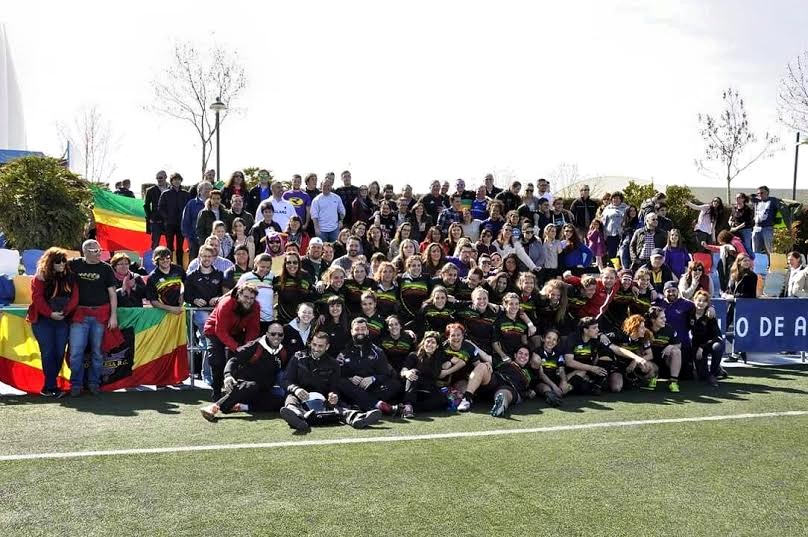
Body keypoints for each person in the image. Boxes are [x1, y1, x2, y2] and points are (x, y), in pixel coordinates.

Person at [279, 332, 382, 432]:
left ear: (327, 347)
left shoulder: (333, 364)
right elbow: (286, 380)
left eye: (320, 346)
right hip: (299, 396)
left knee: (339, 406)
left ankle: (357, 418)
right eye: (314, 344)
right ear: (310, 343)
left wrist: (334, 395)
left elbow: (335, 386)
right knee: (290, 399)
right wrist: (296, 389)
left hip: (323, 399)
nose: (316, 349)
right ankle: (296, 416)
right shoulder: (297, 357)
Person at [199, 321, 287, 421]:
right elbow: (234, 360)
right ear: (267, 334)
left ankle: (241, 407)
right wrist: (228, 375)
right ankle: (215, 407)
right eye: (273, 334)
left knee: (281, 402)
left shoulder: (282, 352)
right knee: (251, 386)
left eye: (280, 334)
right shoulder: (255, 345)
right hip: (243, 387)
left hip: (261, 391)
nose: (277, 337)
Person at [67, 240, 118, 397]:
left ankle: (94, 383)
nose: (98, 253)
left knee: (97, 352)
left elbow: (112, 293)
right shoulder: (74, 264)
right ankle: (76, 384)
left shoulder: (106, 268)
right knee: (75, 352)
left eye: (99, 250)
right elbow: (53, 265)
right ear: (85, 251)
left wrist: (113, 315)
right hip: (79, 315)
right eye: (95, 251)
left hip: (100, 315)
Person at [28, 248, 79, 397]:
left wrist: (65, 312)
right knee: (48, 352)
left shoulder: (70, 276)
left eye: (64, 260)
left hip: (62, 319)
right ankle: (50, 386)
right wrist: (50, 314)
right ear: (50, 262)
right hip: (43, 321)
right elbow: (37, 298)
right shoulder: (40, 277)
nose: (62, 264)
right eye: (58, 261)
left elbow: (75, 297)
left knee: (58, 352)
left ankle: (50, 385)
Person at [203, 283, 261, 400]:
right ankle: (217, 391)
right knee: (217, 361)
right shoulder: (226, 304)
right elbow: (220, 331)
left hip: (236, 331)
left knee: (239, 359)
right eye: (245, 297)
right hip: (214, 330)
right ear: (238, 295)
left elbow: (253, 328)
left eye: (251, 298)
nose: (248, 301)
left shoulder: (255, 306)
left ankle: (234, 391)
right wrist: (235, 346)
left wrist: (246, 345)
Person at [337, 318, 402, 415]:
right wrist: (350, 378)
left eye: (363, 329)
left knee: (395, 384)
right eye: (357, 329)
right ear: (351, 332)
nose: (360, 332)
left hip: (372, 388)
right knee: (341, 383)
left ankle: (361, 406)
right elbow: (339, 373)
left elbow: (385, 374)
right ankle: (379, 405)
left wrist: (373, 378)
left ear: (367, 331)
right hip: (352, 388)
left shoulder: (377, 351)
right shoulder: (343, 352)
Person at [400, 332, 451, 418]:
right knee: (414, 372)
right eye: (428, 341)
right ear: (423, 343)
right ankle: (408, 406)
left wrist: (448, 366)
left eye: (433, 342)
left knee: (443, 401)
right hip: (414, 389)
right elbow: (403, 370)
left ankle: (405, 408)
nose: (430, 344)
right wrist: (407, 373)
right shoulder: (414, 355)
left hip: (429, 390)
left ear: (437, 346)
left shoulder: (440, 357)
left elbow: (459, 361)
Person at [688, 290, 723, 387]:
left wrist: (702, 347)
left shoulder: (710, 315)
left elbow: (717, 337)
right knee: (702, 377)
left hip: (711, 343)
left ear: (707, 303)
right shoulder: (689, 313)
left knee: (718, 347)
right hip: (697, 345)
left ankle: (713, 373)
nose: (701, 303)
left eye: (704, 301)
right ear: (694, 300)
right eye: (699, 300)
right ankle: (719, 370)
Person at [645, 306, 682, 392]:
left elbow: (679, 345)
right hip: (650, 360)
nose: (665, 320)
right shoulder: (644, 329)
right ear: (653, 320)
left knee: (676, 351)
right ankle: (652, 376)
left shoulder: (669, 329)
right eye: (661, 318)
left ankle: (673, 382)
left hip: (665, 360)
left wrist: (671, 346)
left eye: (664, 317)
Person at [237, 253, 276, 333]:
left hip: (269, 319)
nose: (265, 269)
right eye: (262, 267)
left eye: (268, 267)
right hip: (252, 317)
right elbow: (235, 291)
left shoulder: (272, 276)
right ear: (256, 264)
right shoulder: (246, 277)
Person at [158, 172, 191, 267]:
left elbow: (188, 208)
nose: (177, 181)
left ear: (181, 181)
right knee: (169, 247)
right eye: (175, 180)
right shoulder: (165, 193)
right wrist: (167, 218)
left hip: (181, 224)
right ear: (171, 181)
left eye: (179, 180)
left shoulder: (186, 194)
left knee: (180, 247)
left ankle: (180, 266)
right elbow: (160, 207)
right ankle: (169, 265)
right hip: (170, 224)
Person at [182, 181, 213, 262]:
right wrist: (189, 238)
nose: (208, 191)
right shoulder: (191, 204)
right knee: (194, 261)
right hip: (194, 239)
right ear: (199, 191)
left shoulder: (214, 204)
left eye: (210, 189)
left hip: (210, 240)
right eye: (206, 189)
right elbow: (185, 222)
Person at [311, 175, 346, 242]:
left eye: (328, 186)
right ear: (321, 186)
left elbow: (342, 211)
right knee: (322, 250)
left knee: (337, 248)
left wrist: (341, 221)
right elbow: (314, 216)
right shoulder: (316, 200)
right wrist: (316, 228)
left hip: (335, 229)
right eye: (324, 185)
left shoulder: (336, 198)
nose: (326, 187)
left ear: (331, 187)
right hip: (321, 231)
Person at [144, 170, 169, 249]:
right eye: (157, 178)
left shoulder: (171, 189)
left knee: (170, 243)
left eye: (160, 177)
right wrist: (150, 217)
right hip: (156, 221)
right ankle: (154, 260)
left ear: (165, 177)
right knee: (155, 243)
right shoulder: (150, 190)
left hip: (168, 220)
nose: (159, 180)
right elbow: (146, 205)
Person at [751, 185, 778, 256]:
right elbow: (748, 197)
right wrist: (754, 196)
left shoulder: (773, 200)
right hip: (756, 228)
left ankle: (771, 265)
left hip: (767, 228)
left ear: (767, 193)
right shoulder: (756, 201)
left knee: (769, 249)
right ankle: (757, 266)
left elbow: (782, 207)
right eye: (758, 193)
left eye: (762, 193)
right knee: (755, 250)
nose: (760, 195)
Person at [601, 192, 628, 261]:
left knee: (622, 251)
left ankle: (621, 268)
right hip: (610, 234)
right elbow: (603, 222)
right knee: (612, 252)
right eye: (614, 198)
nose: (615, 200)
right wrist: (604, 234)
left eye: (617, 198)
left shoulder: (626, 208)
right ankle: (613, 268)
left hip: (622, 234)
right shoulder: (607, 209)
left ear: (621, 199)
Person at [729, 192, 754, 260]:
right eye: (736, 198)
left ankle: (751, 260)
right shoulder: (734, 208)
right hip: (735, 230)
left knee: (746, 246)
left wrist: (736, 228)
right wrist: (730, 223)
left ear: (743, 199)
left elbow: (747, 222)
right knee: (736, 245)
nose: (737, 199)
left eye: (739, 197)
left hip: (745, 230)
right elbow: (731, 218)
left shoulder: (747, 209)